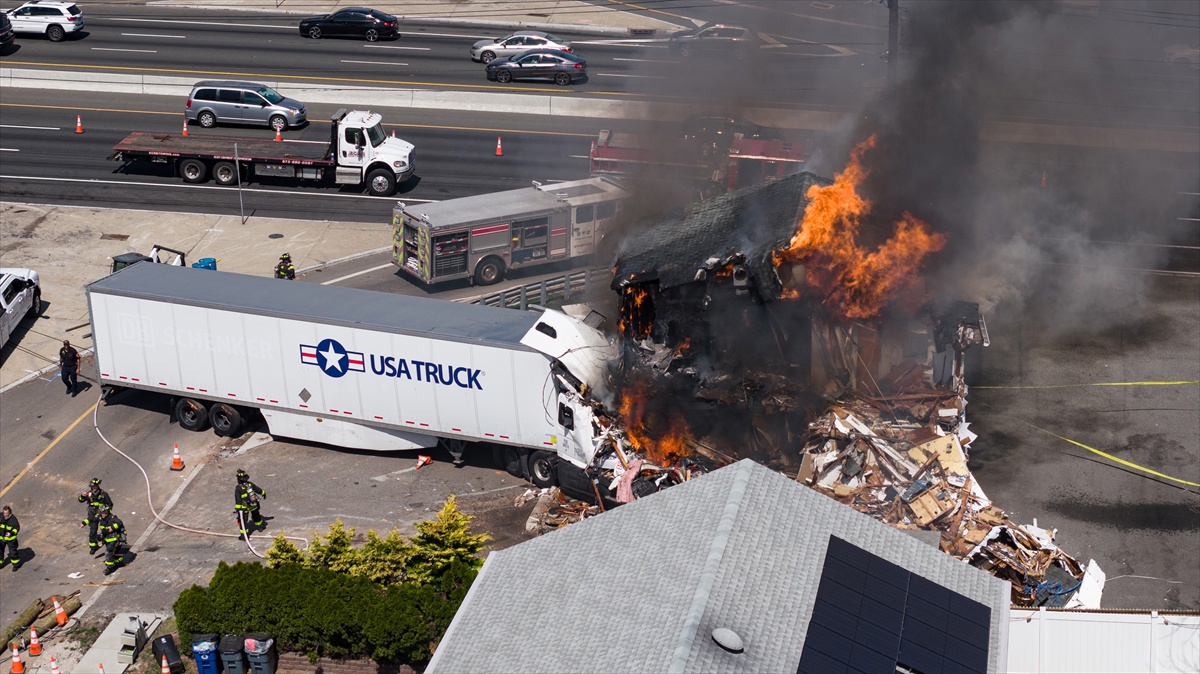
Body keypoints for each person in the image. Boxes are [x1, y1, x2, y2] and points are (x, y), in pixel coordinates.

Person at [79, 478, 114, 555]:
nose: (94, 488)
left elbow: (110, 504)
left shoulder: (104, 494)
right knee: (92, 532)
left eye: (95, 486)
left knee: (106, 529)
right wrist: (82, 496)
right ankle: (93, 547)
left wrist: (107, 513)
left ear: (98, 486)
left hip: (102, 514)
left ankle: (109, 544)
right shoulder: (89, 494)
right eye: (92, 487)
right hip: (92, 514)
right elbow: (81, 500)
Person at [234, 469, 267, 539]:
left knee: (243, 521)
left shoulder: (238, 489)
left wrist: (238, 508)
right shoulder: (250, 484)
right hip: (254, 505)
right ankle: (261, 527)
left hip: (244, 508)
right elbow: (258, 489)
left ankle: (244, 535)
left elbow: (238, 499)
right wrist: (263, 493)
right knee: (256, 516)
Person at [96, 505, 126, 575]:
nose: (102, 514)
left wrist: (112, 527)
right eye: (101, 513)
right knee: (114, 553)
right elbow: (103, 529)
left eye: (103, 513)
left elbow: (120, 523)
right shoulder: (102, 519)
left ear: (107, 512)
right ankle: (119, 562)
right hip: (107, 539)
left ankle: (109, 568)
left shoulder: (113, 518)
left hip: (114, 539)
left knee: (108, 553)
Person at [0, 506, 19, 571]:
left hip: (10, 539)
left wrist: (11, 533)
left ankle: (16, 565)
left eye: (6, 513)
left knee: (12, 553)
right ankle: (1, 564)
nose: (5, 515)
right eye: (4, 513)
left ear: (9, 512)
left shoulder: (13, 519)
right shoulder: (1, 516)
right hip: (1, 538)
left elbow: (16, 528)